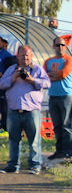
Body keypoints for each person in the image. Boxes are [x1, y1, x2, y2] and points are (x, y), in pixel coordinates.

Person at [0, 45, 50, 174]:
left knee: (34, 141)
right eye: (22, 55)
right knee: (13, 140)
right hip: (14, 111)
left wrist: (32, 80)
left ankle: (35, 165)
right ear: (17, 56)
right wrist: (13, 77)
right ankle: (12, 166)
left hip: (31, 111)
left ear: (32, 56)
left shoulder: (37, 69)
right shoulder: (11, 69)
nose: (25, 57)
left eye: (27, 55)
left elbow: (47, 83)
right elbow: (1, 84)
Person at [44, 36, 72, 160]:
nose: (60, 47)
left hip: (66, 95)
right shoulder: (48, 61)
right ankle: (59, 150)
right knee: (57, 125)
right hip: (53, 96)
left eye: (62, 45)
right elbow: (44, 76)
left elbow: (62, 74)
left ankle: (68, 151)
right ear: (53, 47)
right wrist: (53, 75)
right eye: (57, 45)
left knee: (67, 125)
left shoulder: (69, 60)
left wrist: (52, 75)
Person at [0, 37, 15, 132]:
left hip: (3, 86)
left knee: (4, 108)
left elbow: (7, 73)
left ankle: (5, 128)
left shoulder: (7, 56)